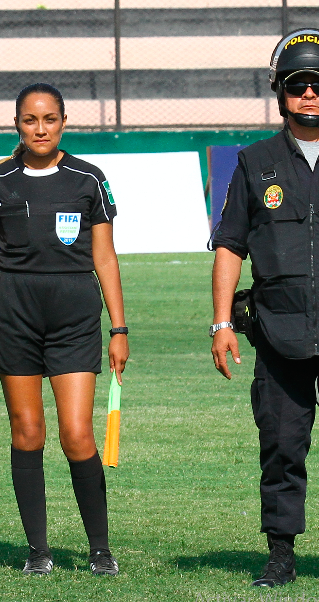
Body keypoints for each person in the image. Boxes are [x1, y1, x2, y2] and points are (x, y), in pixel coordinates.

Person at [0, 82, 128, 577]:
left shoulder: (89, 178)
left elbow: (105, 256)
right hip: (13, 318)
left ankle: (99, 548)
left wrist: (119, 327)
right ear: (17, 123)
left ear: (64, 122)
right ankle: (37, 551)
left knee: (77, 435)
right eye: (30, 120)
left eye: (50, 119)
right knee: (28, 432)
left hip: (74, 319)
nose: (40, 128)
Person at [210, 28, 319, 589]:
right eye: (298, 85)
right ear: (280, 92)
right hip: (280, 331)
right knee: (280, 444)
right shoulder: (254, 162)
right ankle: (281, 554)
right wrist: (223, 321)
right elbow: (230, 244)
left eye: (318, 85)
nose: (310, 95)